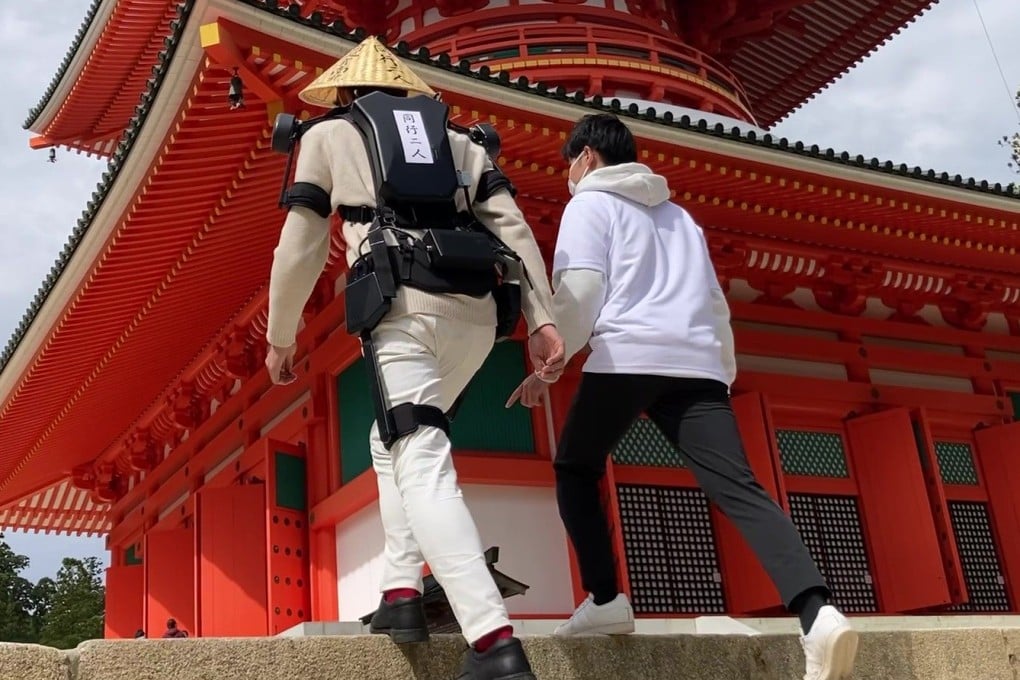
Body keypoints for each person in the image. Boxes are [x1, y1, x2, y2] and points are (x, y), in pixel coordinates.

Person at [507, 113, 858, 680]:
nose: (568, 173)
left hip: (627, 356)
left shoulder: (588, 205)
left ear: (587, 157)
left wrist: (552, 362)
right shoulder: (680, 218)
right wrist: (718, 372)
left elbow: (581, 292)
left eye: (568, 161)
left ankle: (605, 601)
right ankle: (818, 615)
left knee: (575, 466)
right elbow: (715, 303)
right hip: (696, 363)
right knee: (739, 487)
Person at [264, 37, 564, 680]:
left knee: (420, 458)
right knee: (390, 440)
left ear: (346, 93)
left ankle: (492, 642)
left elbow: (301, 243)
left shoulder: (328, 134)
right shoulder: (463, 142)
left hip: (402, 310)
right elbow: (513, 227)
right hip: (479, 317)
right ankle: (401, 594)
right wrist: (542, 318)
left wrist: (280, 335)